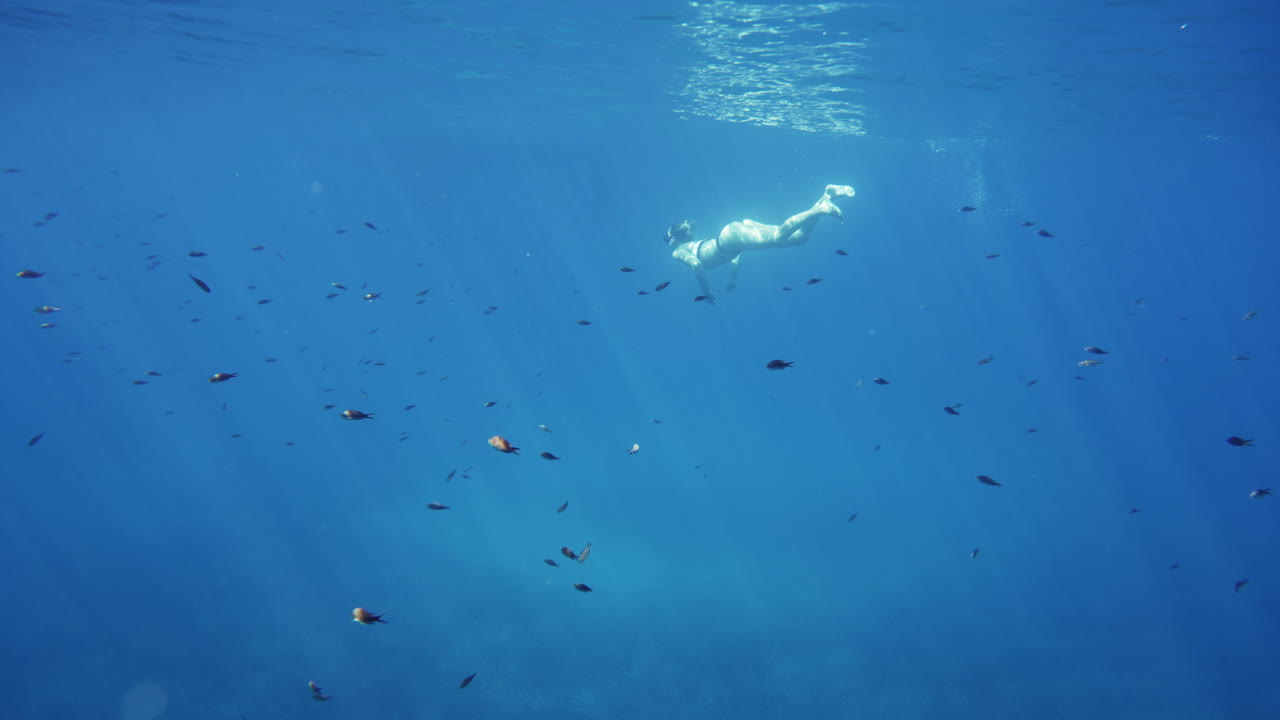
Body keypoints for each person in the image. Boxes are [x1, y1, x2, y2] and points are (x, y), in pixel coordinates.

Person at [665, 184, 855, 302]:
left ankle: (820, 209)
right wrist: (733, 277)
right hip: (731, 239)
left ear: (673, 240)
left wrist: (706, 293)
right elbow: (734, 256)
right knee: (800, 238)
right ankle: (827, 196)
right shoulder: (692, 244)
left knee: (779, 236)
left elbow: (697, 265)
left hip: (729, 239)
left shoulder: (677, 252)